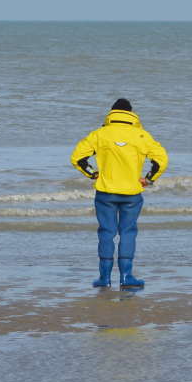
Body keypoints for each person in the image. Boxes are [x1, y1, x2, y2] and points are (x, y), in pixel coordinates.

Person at [70, 98, 169, 288]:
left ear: (111, 114)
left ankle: (104, 279)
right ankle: (126, 277)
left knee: (106, 233)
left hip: (105, 192)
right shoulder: (141, 135)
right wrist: (148, 179)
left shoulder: (100, 134)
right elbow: (161, 160)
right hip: (131, 193)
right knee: (128, 232)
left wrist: (92, 174)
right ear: (131, 113)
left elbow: (77, 157)